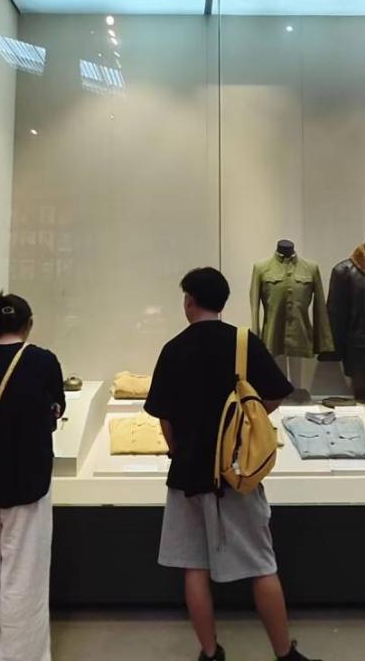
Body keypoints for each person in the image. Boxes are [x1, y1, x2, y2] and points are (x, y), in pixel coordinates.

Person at [145, 267, 320, 661]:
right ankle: (284, 653)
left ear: (189, 301)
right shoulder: (243, 342)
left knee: (194, 567)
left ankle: (210, 652)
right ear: (222, 302)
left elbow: (163, 416)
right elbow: (275, 394)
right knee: (262, 564)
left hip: (187, 473)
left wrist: (177, 449)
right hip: (236, 472)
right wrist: (246, 422)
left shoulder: (173, 348)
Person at [0, 293, 65, 661]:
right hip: (29, 478)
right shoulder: (44, 361)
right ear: (28, 324)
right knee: (25, 578)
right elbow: (55, 409)